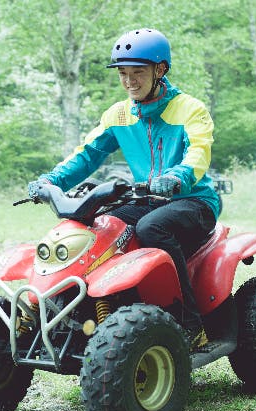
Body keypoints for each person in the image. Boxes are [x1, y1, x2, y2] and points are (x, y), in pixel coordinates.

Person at [27, 28, 220, 349]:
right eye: (123, 73)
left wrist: (177, 177)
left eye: (138, 73)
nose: (129, 81)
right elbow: (87, 154)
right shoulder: (118, 114)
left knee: (151, 228)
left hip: (193, 200)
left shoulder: (190, 109)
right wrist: (51, 180)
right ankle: (77, 310)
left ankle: (190, 324)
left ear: (160, 70)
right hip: (146, 198)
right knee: (98, 224)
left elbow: (198, 153)